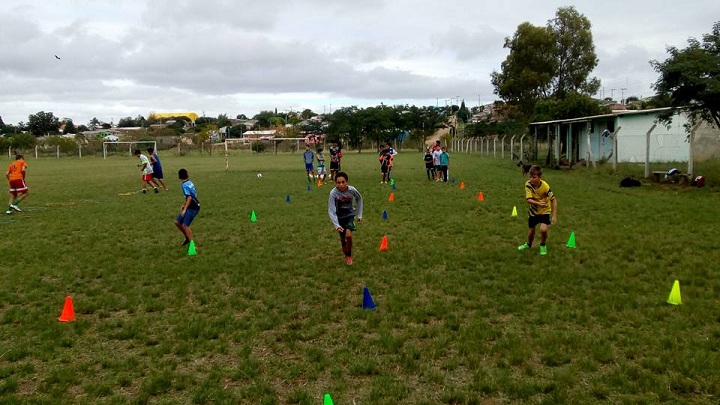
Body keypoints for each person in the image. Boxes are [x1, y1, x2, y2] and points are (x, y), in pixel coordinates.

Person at [518, 165, 558, 256]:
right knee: (531, 232)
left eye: (534, 177)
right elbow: (528, 200)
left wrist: (554, 215)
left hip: (545, 211)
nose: (531, 179)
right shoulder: (528, 184)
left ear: (540, 177)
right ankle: (528, 244)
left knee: (543, 230)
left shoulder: (545, 186)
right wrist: (539, 204)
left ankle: (543, 245)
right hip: (533, 211)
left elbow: (554, 200)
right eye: (530, 177)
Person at [328, 171, 363, 266]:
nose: (341, 184)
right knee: (343, 239)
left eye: (343, 182)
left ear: (347, 182)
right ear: (336, 183)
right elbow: (331, 210)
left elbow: (359, 199)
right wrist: (336, 225)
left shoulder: (352, 190)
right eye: (338, 183)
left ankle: (349, 256)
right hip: (339, 218)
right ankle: (345, 250)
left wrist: (359, 215)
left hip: (350, 216)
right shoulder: (333, 193)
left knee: (349, 235)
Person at [175, 168, 201, 247]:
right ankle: (187, 237)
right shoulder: (189, 182)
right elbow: (193, 195)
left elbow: (189, 197)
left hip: (193, 207)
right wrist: (184, 205)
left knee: (185, 225)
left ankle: (192, 245)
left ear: (179, 177)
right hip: (191, 204)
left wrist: (185, 209)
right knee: (177, 222)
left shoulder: (184, 185)